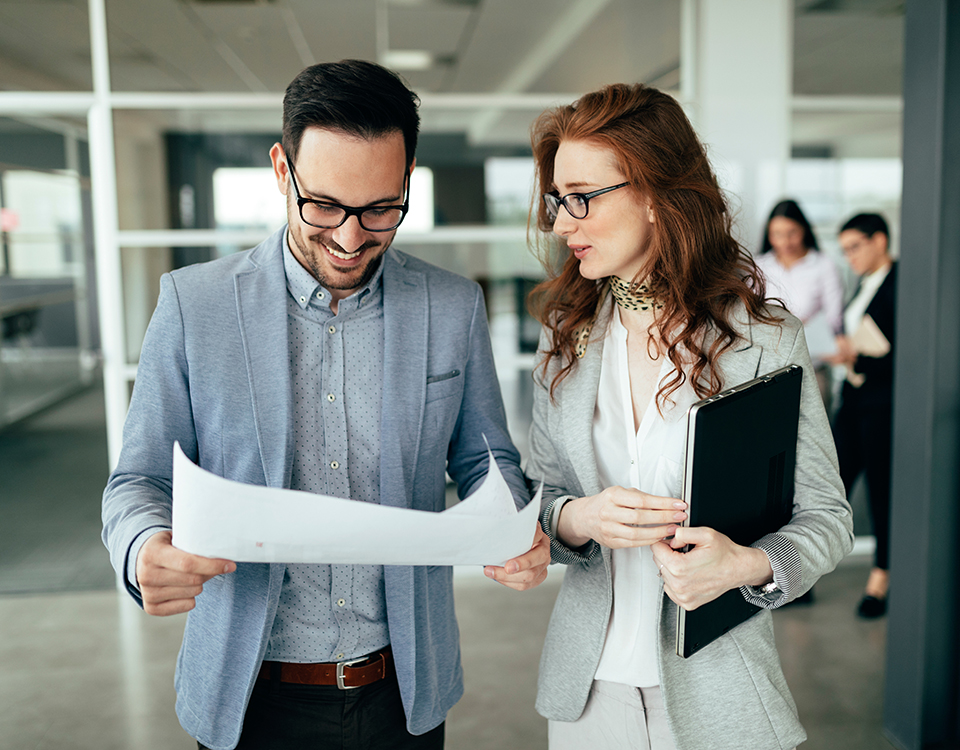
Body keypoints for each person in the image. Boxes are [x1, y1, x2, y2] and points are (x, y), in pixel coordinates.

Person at [101, 59, 549, 750]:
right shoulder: (195, 305)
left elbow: (486, 455)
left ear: (406, 184)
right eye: (325, 207)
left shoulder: (452, 306)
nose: (349, 238)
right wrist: (141, 549)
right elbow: (137, 481)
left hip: (404, 692)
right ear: (282, 170)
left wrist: (513, 524)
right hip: (250, 695)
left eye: (380, 210)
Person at [524, 83, 853, 750]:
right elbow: (537, 500)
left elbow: (828, 519)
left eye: (581, 198)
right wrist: (576, 518)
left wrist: (745, 565)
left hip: (722, 693)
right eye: (558, 200)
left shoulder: (766, 337)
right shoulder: (565, 332)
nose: (561, 223)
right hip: (586, 695)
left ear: (652, 194)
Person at [828, 213, 896, 618]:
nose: (849, 257)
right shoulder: (862, 284)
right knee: (831, 485)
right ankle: (797, 572)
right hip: (852, 401)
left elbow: (908, 352)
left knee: (880, 490)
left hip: (881, 405)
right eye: (844, 250)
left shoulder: (901, 281)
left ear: (880, 241)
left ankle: (880, 580)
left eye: (855, 247)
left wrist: (862, 360)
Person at [756, 199, 845, 414]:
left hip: (813, 366)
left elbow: (834, 319)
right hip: (767, 369)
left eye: (792, 232)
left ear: (804, 230)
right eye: (777, 234)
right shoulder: (759, 266)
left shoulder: (823, 265)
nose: (785, 241)